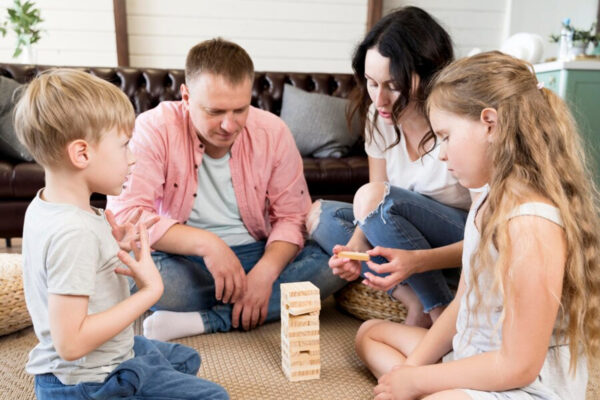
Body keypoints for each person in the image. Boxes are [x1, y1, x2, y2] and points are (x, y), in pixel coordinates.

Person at [358, 51, 600, 399]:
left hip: (521, 385)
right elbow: (464, 301)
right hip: (473, 354)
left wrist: (417, 382)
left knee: (430, 393)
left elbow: (519, 365)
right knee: (370, 333)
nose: (440, 154)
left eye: (445, 136)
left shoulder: (532, 224)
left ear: (490, 124)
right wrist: (410, 372)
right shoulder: (485, 199)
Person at [107, 38, 345, 341]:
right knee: (119, 271)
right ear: (186, 96)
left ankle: (206, 320)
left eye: (239, 110)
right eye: (215, 111)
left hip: (258, 253)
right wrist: (208, 245)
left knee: (340, 262)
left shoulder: (272, 131)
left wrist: (265, 273)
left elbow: (293, 217)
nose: (229, 125)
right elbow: (128, 215)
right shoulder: (153, 128)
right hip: (183, 260)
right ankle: (256, 303)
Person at [14, 69, 228, 399]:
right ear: (81, 154)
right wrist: (149, 291)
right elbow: (70, 343)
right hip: (88, 381)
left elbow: (64, 270)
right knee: (215, 397)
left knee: (185, 359)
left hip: (96, 360)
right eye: (124, 146)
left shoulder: (48, 205)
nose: (133, 158)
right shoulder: (75, 232)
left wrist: (112, 248)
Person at [307, 6, 471, 327]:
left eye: (392, 86)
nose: (379, 100)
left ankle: (438, 311)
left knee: (373, 201)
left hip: (458, 243)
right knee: (320, 218)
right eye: (371, 83)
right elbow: (372, 203)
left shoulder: (459, 123)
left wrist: (419, 260)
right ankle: (415, 300)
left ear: (430, 75)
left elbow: (491, 236)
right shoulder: (378, 119)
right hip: (396, 232)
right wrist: (355, 249)